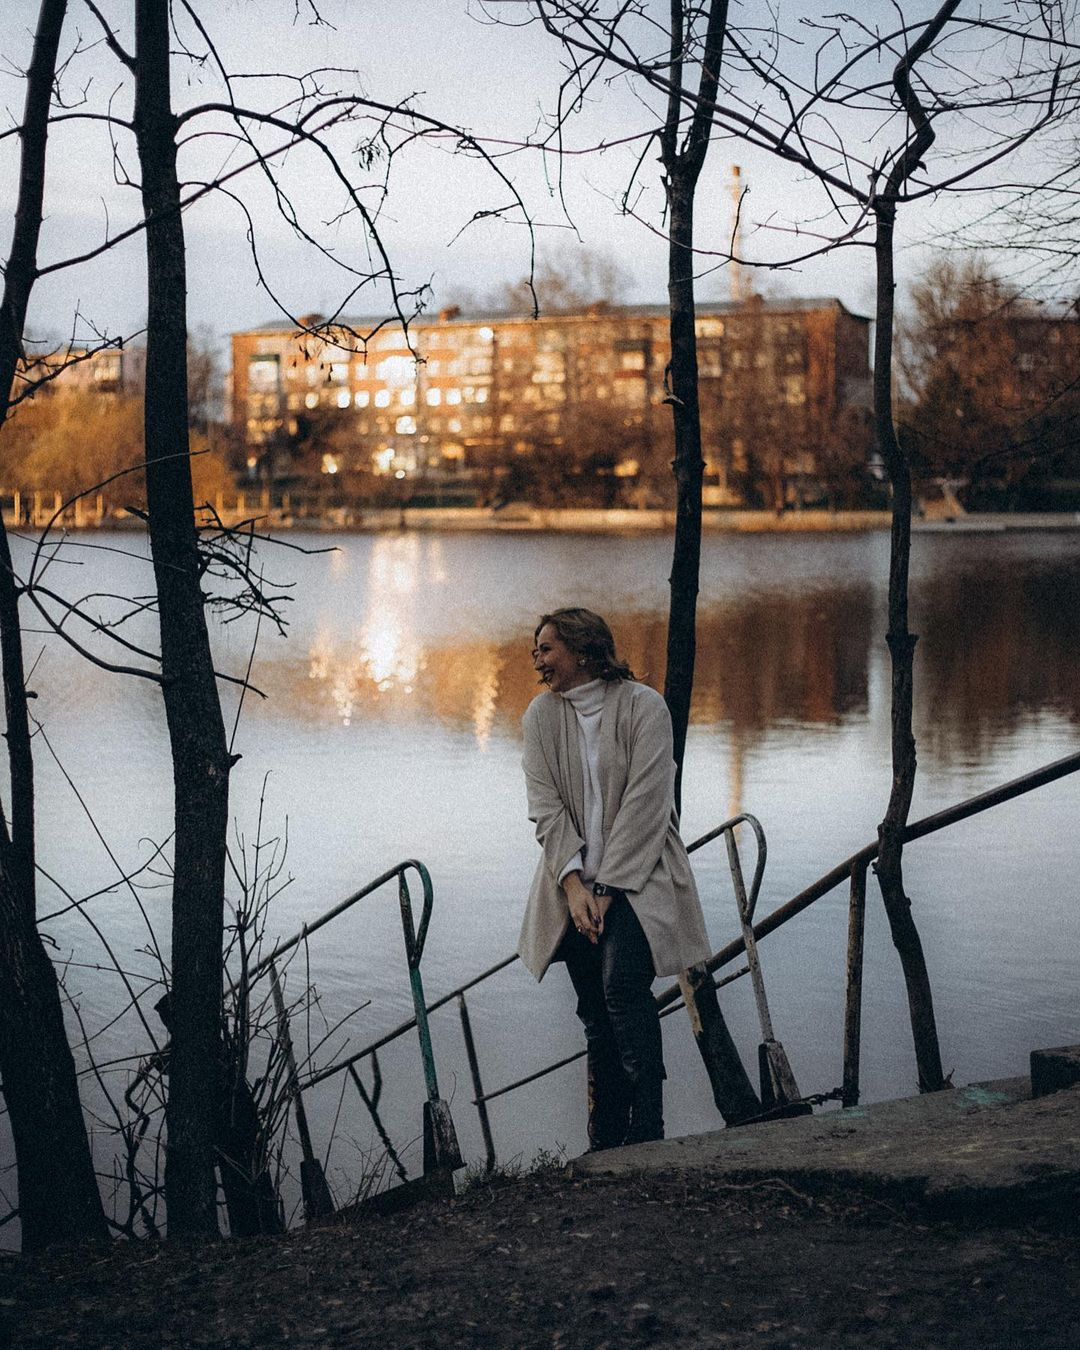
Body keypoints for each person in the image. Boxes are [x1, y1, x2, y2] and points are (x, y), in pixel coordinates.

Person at [518, 607, 712, 1148]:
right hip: (571, 887)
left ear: (582, 651)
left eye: (546, 647)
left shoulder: (645, 708)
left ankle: (648, 1131)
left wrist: (608, 889)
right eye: (536, 649)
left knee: (623, 989)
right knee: (594, 1013)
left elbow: (649, 803)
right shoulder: (539, 717)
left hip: (641, 876)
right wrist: (576, 886)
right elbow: (545, 808)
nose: (537, 658)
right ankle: (606, 1141)